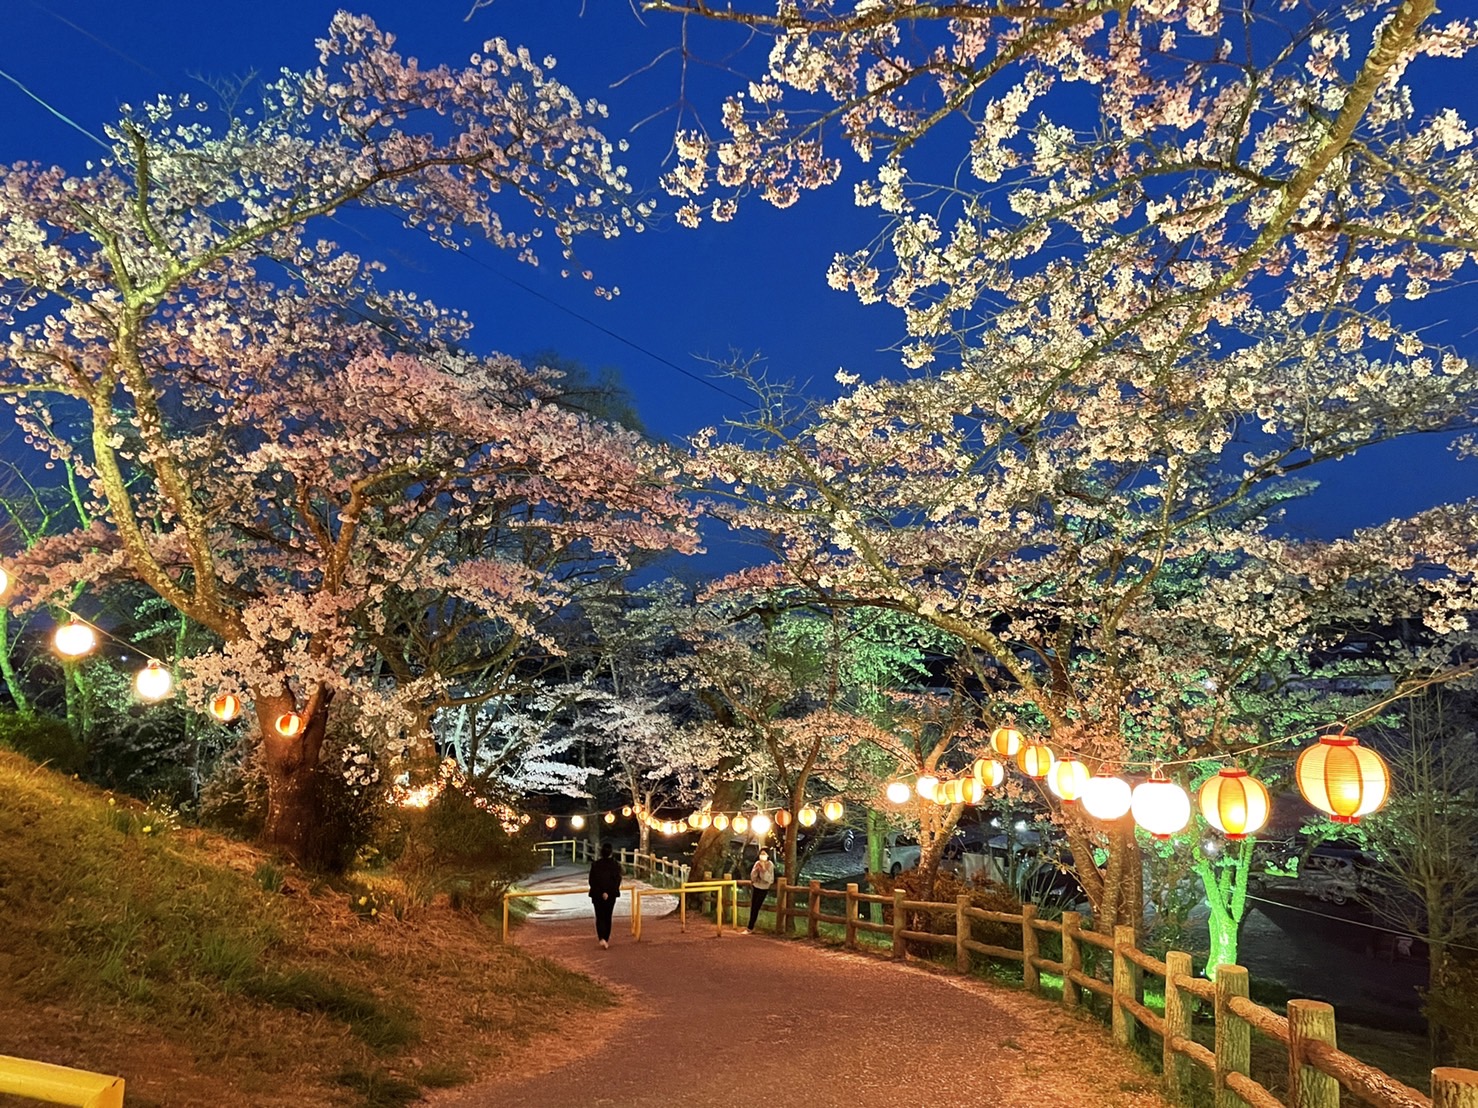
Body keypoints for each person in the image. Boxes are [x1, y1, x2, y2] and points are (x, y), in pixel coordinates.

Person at [588, 841, 623, 949]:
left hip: (597, 894)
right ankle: (606, 939)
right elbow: (617, 880)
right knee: (608, 916)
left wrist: (602, 891)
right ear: (611, 853)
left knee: (599, 917)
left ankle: (601, 938)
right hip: (611, 895)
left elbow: (592, 881)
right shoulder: (615, 865)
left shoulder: (596, 865)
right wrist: (608, 892)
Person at [745, 849, 776, 933]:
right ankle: (750, 927)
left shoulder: (770, 864)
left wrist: (763, 870)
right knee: (753, 907)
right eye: (761, 854)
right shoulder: (757, 863)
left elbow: (769, 879)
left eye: (764, 854)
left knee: (756, 907)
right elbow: (753, 877)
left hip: (764, 888)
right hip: (756, 886)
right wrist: (756, 870)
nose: (762, 855)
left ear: (768, 855)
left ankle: (750, 927)